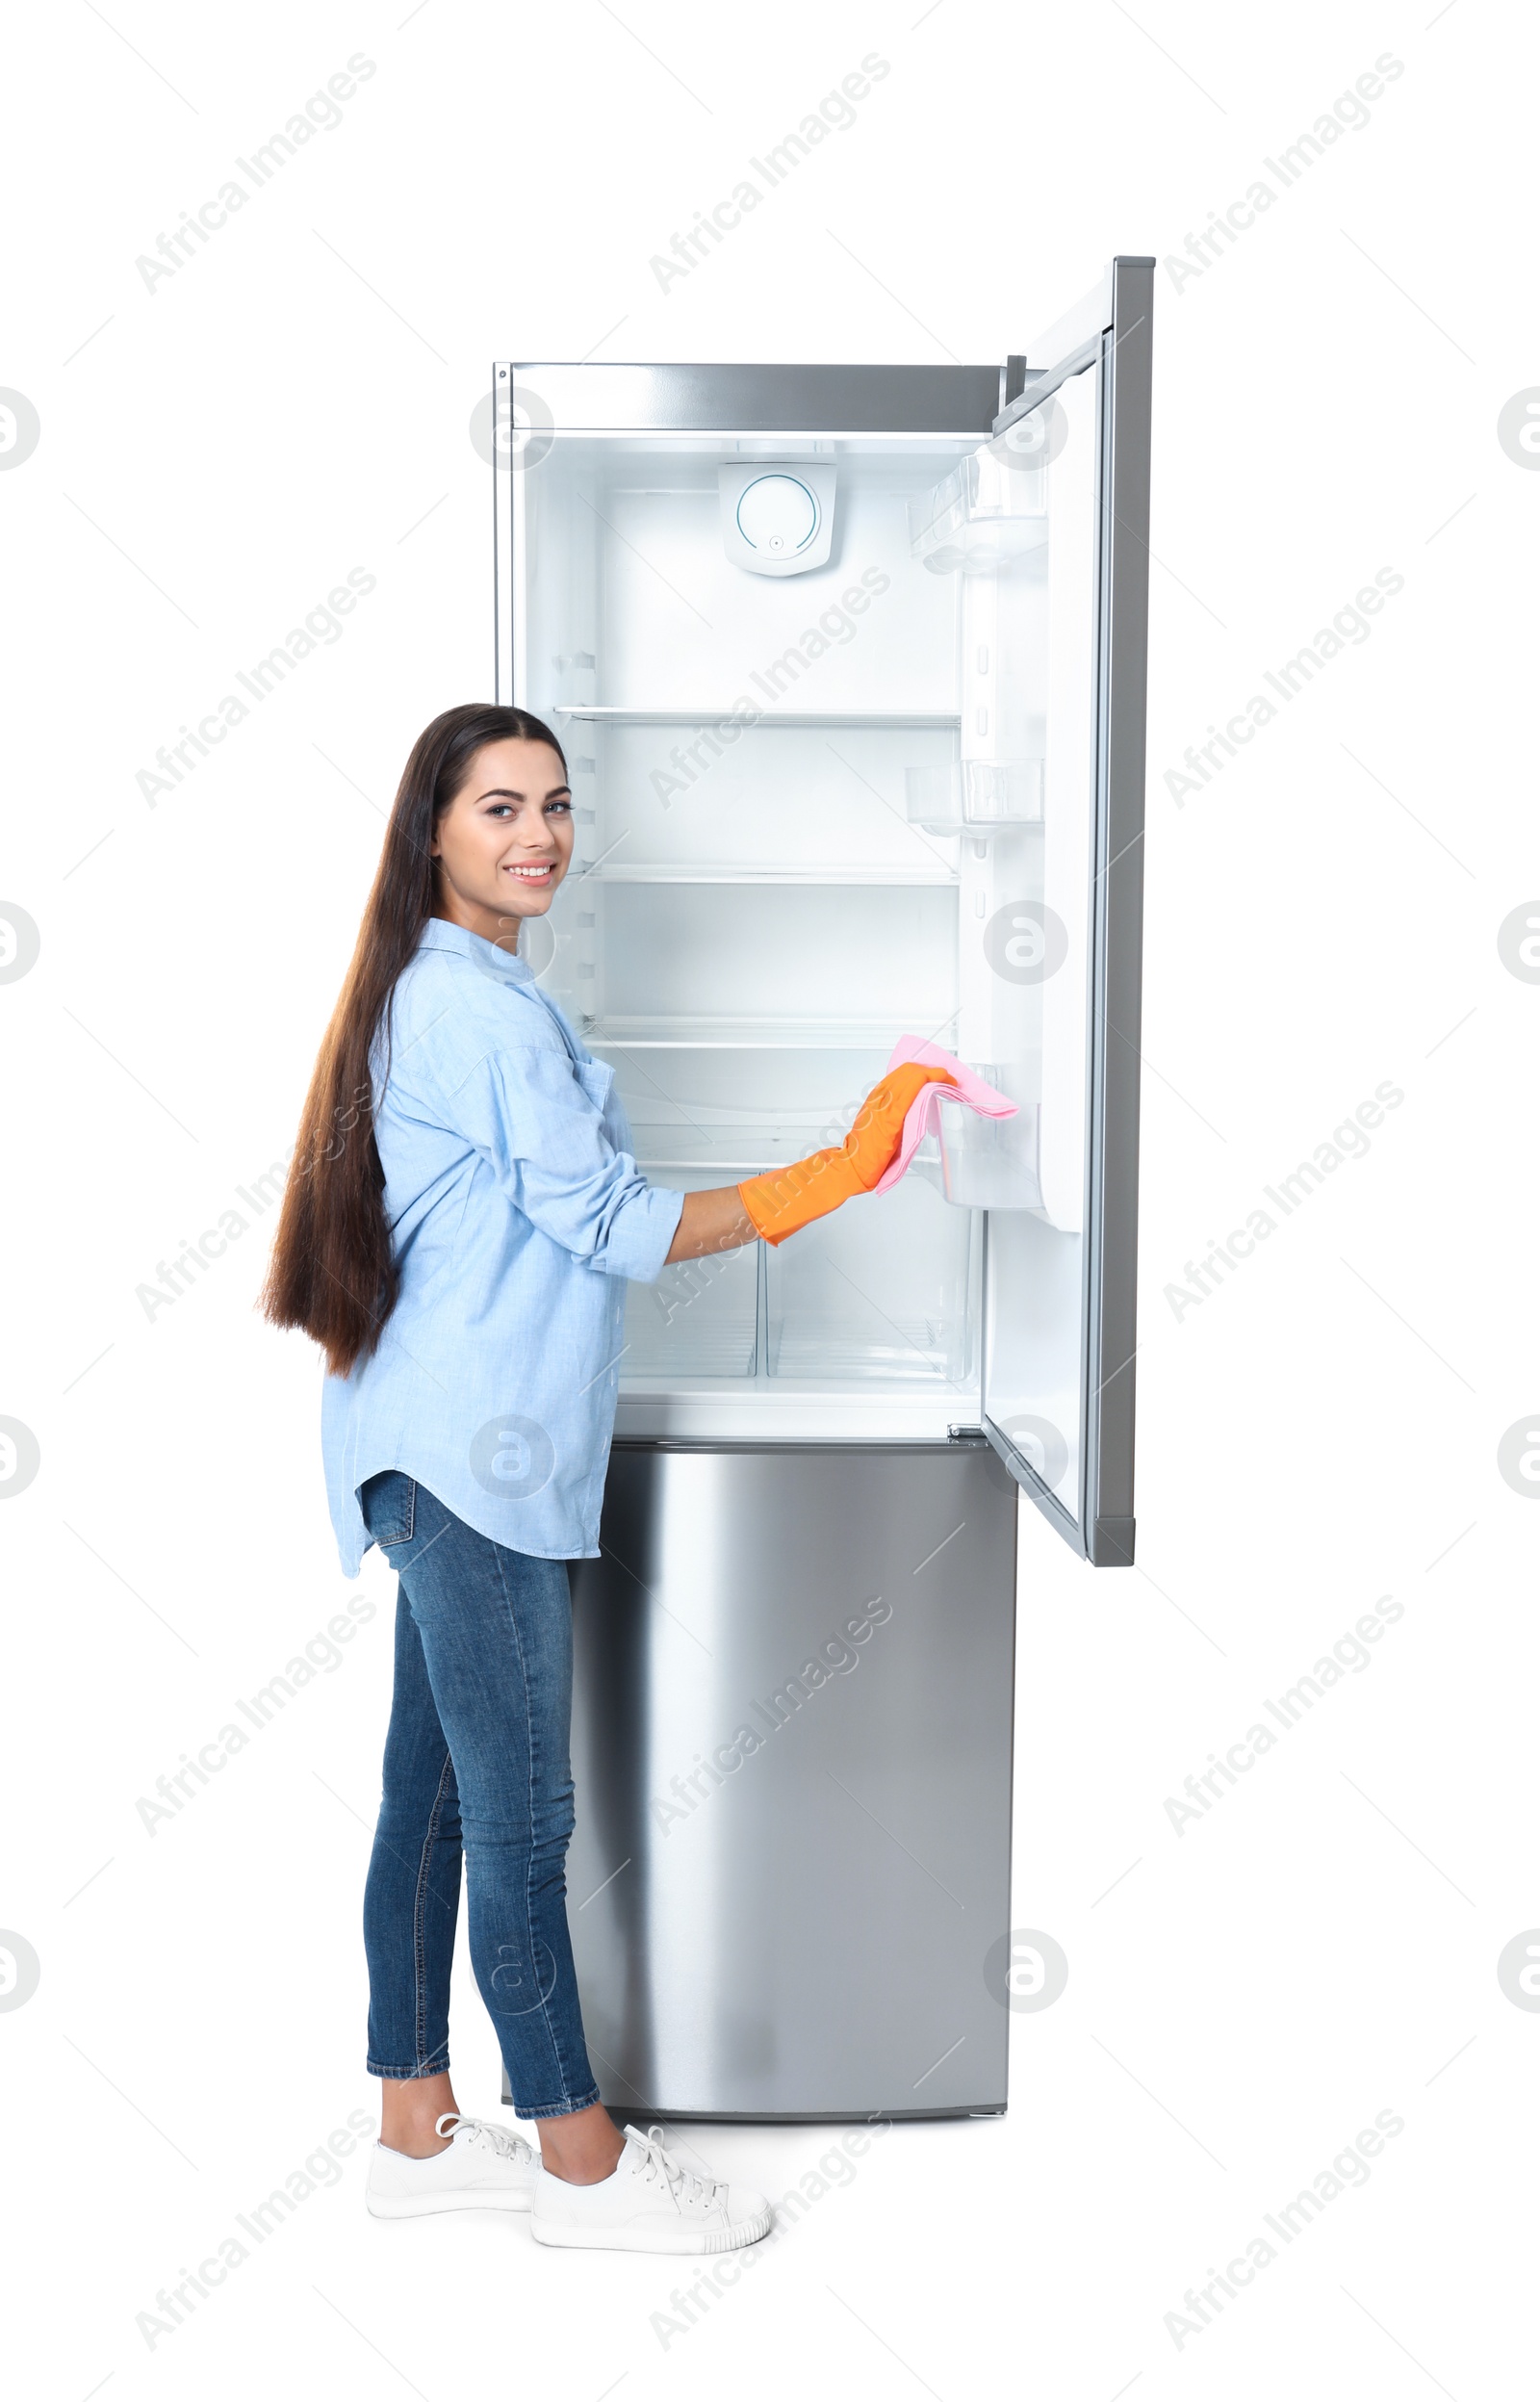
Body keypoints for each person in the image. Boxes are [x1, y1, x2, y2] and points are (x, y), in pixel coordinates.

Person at [262, 702, 951, 2253]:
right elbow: (622, 1229)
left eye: (557, 805)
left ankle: (415, 2133)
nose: (539, 836)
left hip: (425, 1446)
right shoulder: (482, 1013)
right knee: (517, 1825)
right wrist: (840, 1167)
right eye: (500, 807)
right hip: (474, 1464)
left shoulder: (436, 989)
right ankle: (581, 2166)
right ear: (431, 828)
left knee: (429, 1804)